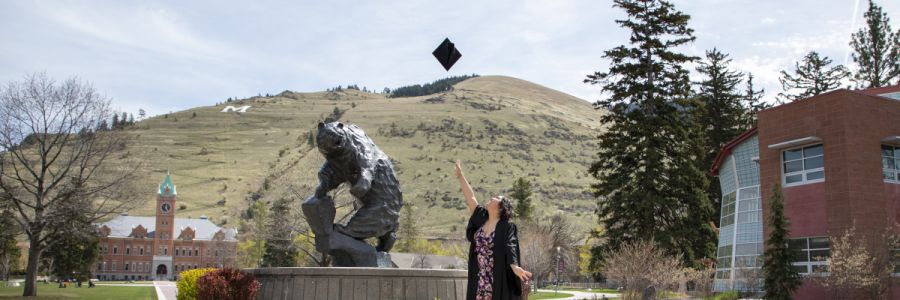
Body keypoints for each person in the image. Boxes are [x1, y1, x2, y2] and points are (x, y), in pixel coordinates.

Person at [455, 160, 532, 300]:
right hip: (478, 278)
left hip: (496, 280)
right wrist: (460, 176)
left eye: (497, 198)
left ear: (502, 207)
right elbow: (470, 197)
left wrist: (515, 266)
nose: (493, 196)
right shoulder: (481, 218)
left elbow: (511, 245)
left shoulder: (507, 226)